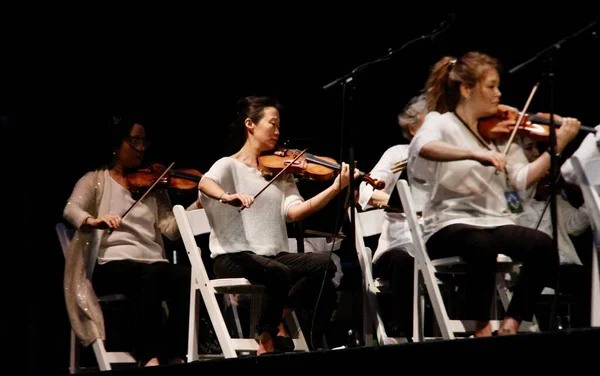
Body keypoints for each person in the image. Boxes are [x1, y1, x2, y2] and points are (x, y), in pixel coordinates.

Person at [407, 51, 581, 337]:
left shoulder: (499, 131)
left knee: (541, 244)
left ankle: (512, 323)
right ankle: (481, 327)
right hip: (448, 224)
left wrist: (556, 147)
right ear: (466, 89)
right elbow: (424, 147)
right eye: (491, 86)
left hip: (494, 222)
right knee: (480, 244)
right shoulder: (441, 122)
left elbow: (522, 178)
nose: (498, 94)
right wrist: (474, 153)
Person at [198, 96, 357, 355]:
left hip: (273, 257)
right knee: (279, 273)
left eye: (279, 126)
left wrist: (336, 187)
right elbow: (205, 183)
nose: (277, 131)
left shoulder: (280, 173)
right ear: (250, 124)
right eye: (272, 124)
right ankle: (266, 339)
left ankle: (280, 314)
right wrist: (226, 196)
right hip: (233, 256)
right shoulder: (228, 165)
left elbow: (295, 212)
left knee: (325, 266)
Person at [63, 117, 200, 367]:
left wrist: (196, 205)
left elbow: (170, 229)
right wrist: (94, 221)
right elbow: (71, 210)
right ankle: (148, 355)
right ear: (116, 144)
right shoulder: (95, 180)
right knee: (149, 276)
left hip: (152, 264)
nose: (141, 148)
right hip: (109, 265)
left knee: (188, 277)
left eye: (143, 141)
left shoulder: (153, 185)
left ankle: (173, 353)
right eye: (134, 141)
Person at [357, 93, 429, 339]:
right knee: (403, 261)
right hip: (397, 250)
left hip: (432, 247)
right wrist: (402, 203)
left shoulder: (447, 160)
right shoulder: (398, 153)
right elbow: (365, 193)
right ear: (413, 127)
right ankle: (409, 335)